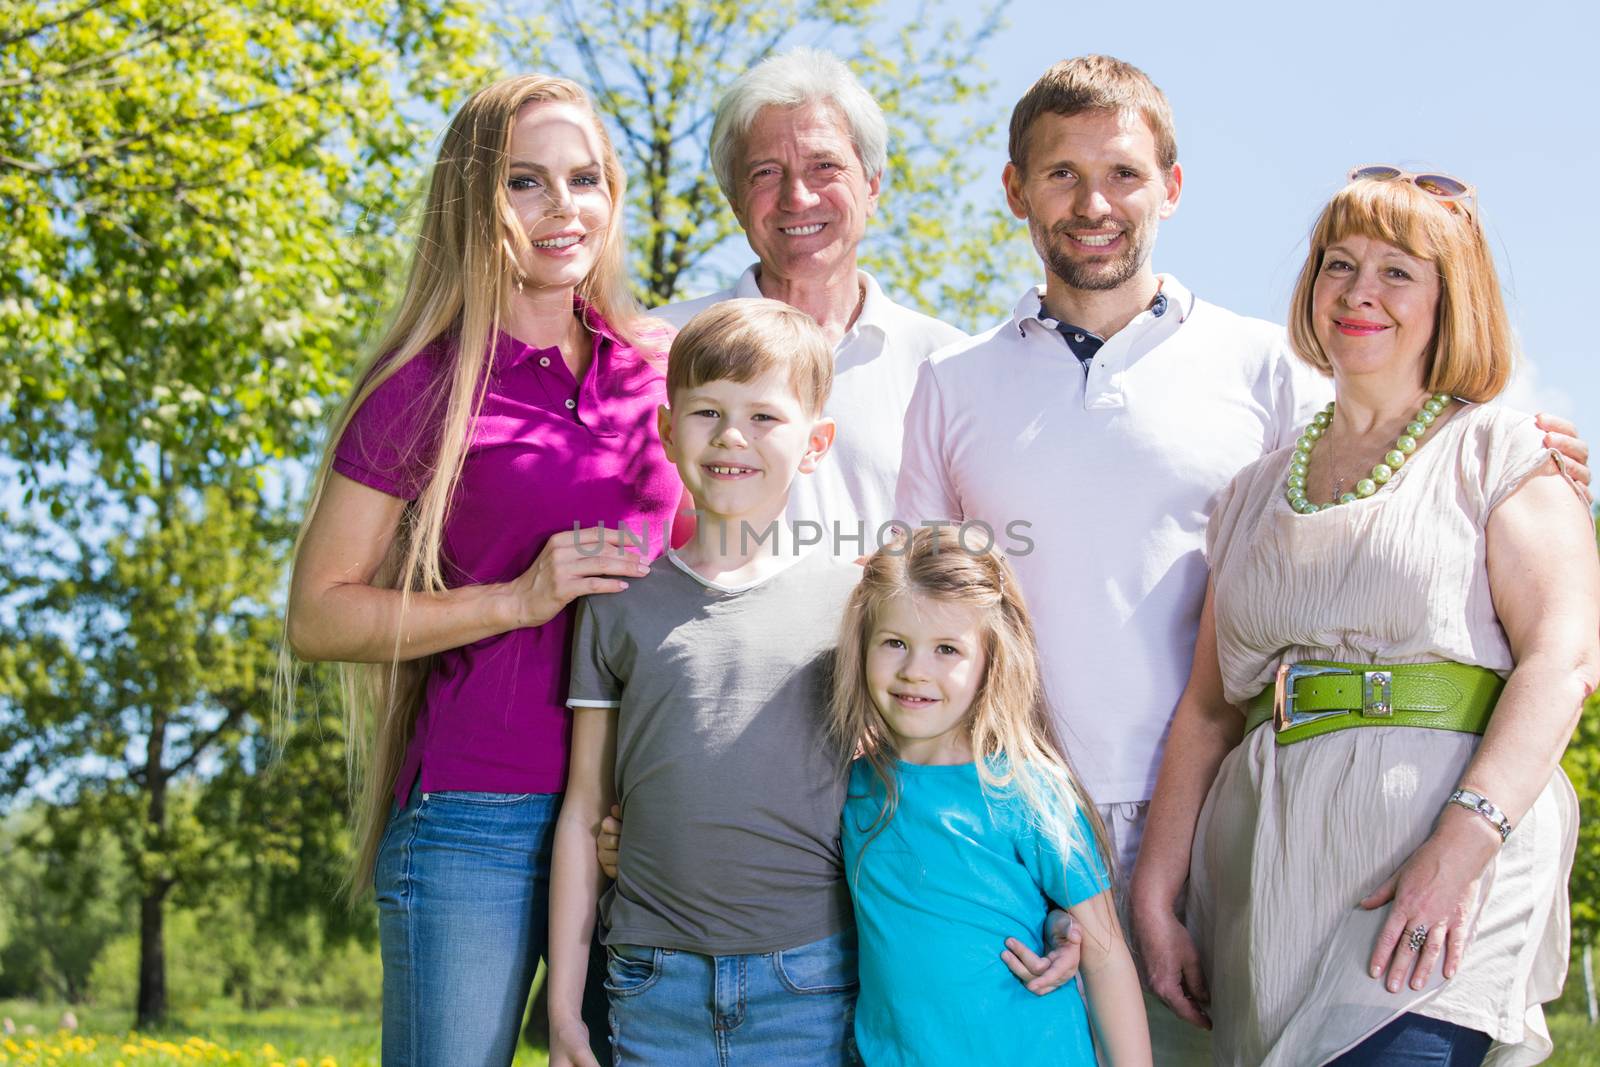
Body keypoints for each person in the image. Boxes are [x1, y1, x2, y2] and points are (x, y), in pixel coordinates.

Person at [892, 55, 1592, 1060]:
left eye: (1125, 172)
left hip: (1249, 827)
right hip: (1037, 817)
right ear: (1015, 189)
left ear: (1171, 187)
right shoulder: (952, 384)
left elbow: (1406, 464)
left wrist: (1519, 443)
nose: (1094, 202)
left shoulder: (1271, 366)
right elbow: (928, 627)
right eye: (1059, 174)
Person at [1131, 171, 1599, 1066]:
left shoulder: (1502, 450)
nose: (1359, 292)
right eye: (1338, 264)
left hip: (1442, 850)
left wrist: (1461, 845)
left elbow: (1564, 658)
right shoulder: (1250, 495)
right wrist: (1158, 896)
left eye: (1397, 271)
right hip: (1273, 871)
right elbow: (1207, 710)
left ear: (1449, 298)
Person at [283, 75, 679, 1066]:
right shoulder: (422, 383)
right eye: (526, 183)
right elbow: (318, 614)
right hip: (475, 817)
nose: (564, 209)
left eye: (583, 179)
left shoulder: (667, 368)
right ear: (471, 200)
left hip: (638, 816)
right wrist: (516, 597)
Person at [548, 299, 860, 1067]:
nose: (731, 436)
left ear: (816, 443)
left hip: (811, 980)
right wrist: (563, 1009)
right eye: (708, 411)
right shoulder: (620, 602)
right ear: (665, 428)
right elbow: (585, 807)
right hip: (655, 982)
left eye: (764, 417)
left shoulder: (853, 603)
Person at [834, 526, 1152, 1066]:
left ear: (990, 659)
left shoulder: (1026, 788)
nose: (916, 670)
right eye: (894, 643)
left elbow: (1104, 955)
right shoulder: (852, 786)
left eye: (947, 649)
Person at [654, 47, 966, 541]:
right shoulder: (656, 347)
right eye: (766, 173)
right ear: (735, 202)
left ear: (872, 186)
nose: (797, 197)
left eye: (824, 166)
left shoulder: (950, 364)